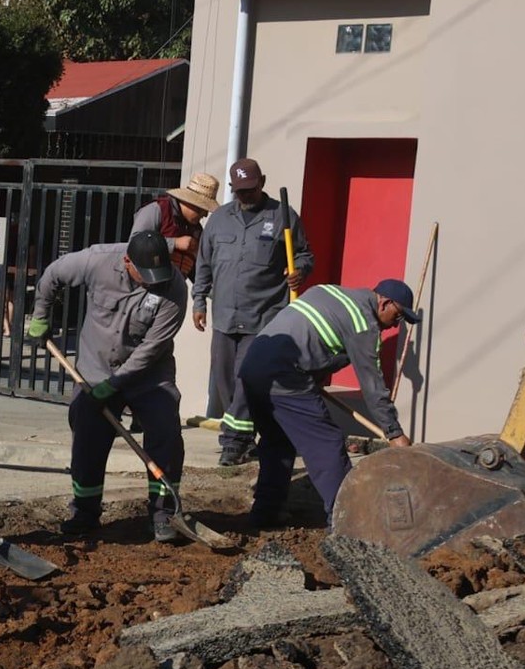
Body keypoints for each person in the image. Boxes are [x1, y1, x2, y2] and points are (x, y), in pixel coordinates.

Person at [26, 230, 190, 543]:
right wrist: (41, 315)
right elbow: (52, 275)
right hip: (95, 370)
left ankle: (163, 512)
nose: (153, 282)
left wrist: (115, 385)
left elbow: (151, 348)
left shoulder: (174, 287)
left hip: (148, 375)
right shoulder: (96, 260)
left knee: (165, 430)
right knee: (87, 438)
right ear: (128, 262)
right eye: (146, 275)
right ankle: (85, 512)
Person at [239, 278, 416, 527]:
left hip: (253, 367)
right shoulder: (363, 324)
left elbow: (312, 335)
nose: (394, 325)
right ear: (385, 303)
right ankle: (346, 520)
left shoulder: (330, 291)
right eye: (397, 317)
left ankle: (264, 514)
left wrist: (315, 375)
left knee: (277, 443)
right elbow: (373, 386)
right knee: (328, 445)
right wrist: (394, 433)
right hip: (285, 376)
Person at [193, 157, 314, 467]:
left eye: (251, 189)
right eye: (240, 191)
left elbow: (303, 255)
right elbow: (204, 263)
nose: (246, 196)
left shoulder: (283, 216)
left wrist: (299, 271)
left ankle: (234, 443)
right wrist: (198, 301)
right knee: (225, 380)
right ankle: (259, 433)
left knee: (246, 378)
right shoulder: (219, 219)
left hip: (264, 315)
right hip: (224, 316)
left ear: (263, 182)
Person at [130, 172, 220, 281]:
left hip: (174, 290)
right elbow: (134, 243)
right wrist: (175, 243)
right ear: (190, 201)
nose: (205, 215)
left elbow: (197, 271)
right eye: (202, 209)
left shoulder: (196, 230)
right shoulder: (156, 210)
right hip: (145, 285)